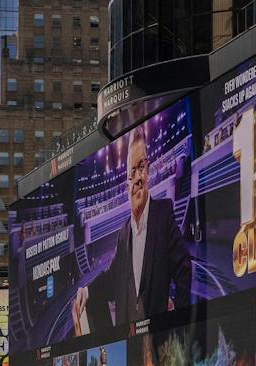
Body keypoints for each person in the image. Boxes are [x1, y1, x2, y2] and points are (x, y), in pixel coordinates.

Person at [71, 129, 194, 334]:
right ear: (126, 183)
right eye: (132, 172)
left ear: (149, 171)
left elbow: (184, 268)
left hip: (158, 342)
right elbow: (111, 278)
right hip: (130, 346)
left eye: (142, 167)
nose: (137, 177)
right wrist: (87, 290)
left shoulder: (163, 214)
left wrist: (179, 323)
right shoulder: (124, 232)